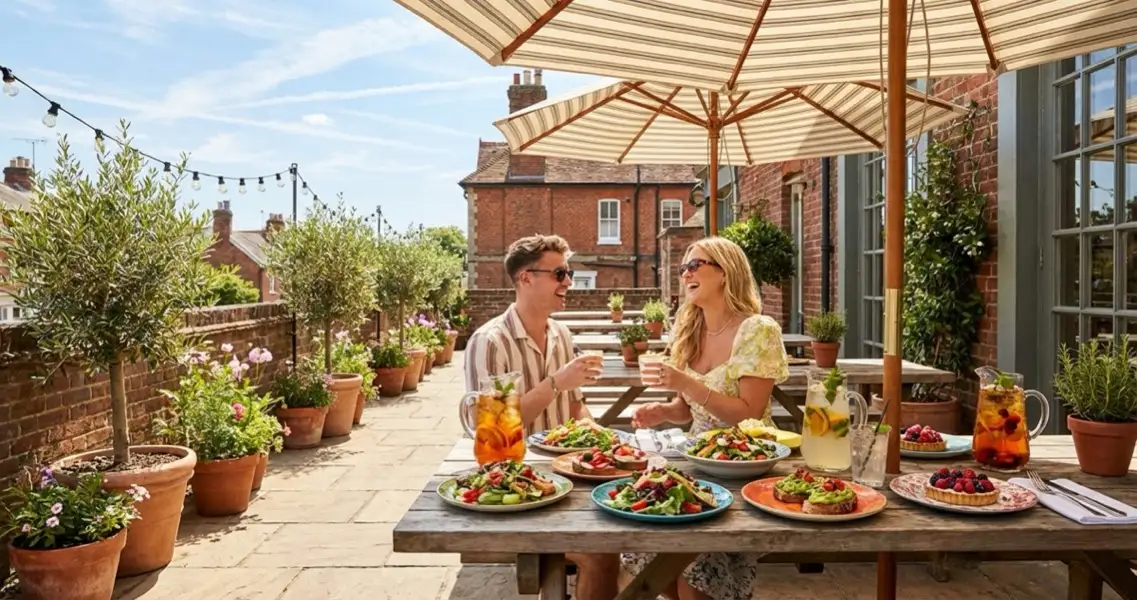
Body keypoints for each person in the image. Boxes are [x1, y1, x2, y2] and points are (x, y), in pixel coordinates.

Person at [625, 236, 790, 600]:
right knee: (646, 550)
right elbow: (688, 409)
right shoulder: (689, 329)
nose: (686, 274)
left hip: (746, 464)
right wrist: (663, 411)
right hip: (695, 461)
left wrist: (685, 382)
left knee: (694, 565)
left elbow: (749, 413)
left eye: (695, 265)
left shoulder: (757, 330)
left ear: (725, 272)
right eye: (683, 268)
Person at [464, 233, 618, 600]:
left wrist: (599, 437)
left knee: (629, 537)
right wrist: (556, 382)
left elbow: (577, 407)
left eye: (569, 273)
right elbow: (493, 429)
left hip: (570, 479)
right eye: (559, 273)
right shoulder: (490, 342)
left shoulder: (561, 334)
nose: (569, 282)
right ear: (525, 278)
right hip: (519, 486)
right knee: (601, 554)